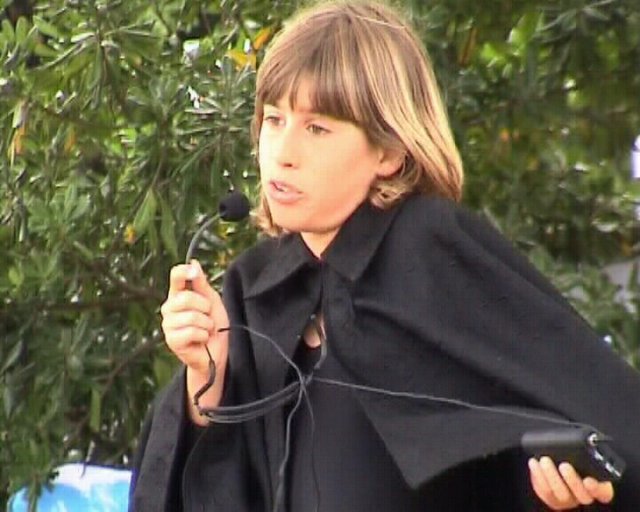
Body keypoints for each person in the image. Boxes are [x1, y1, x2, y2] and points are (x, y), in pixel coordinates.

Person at [129, 1, 640, 510]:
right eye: (274, 120)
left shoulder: (432, 248)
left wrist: (562, 495)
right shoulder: (257, 286)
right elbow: (207, 491)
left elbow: (597, 421)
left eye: (317, 128)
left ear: (390, 152)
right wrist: (208, 380)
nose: (282, 153)